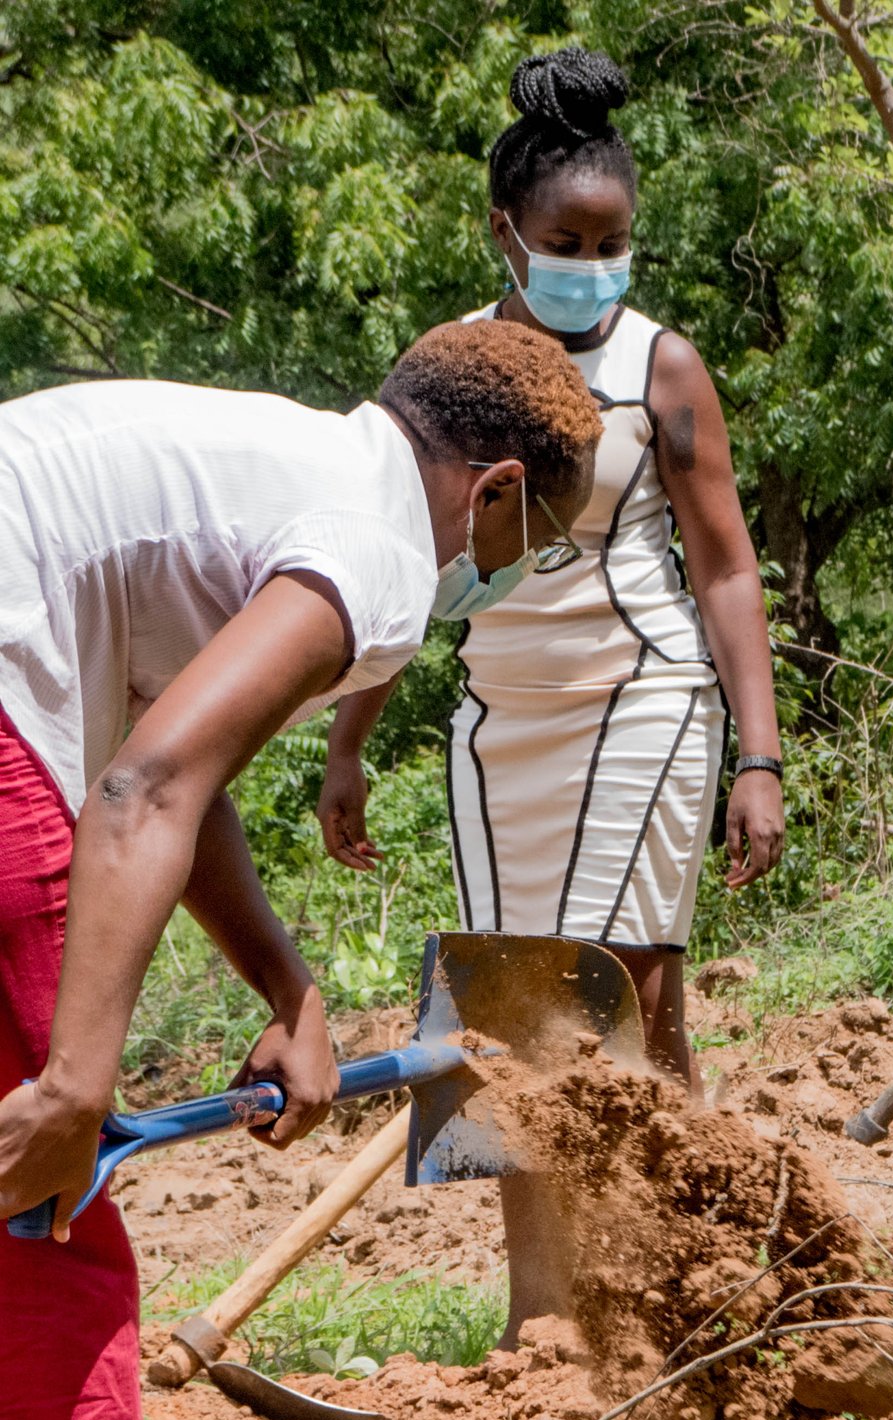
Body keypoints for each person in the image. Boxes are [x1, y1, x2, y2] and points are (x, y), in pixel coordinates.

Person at [0, 320, 605, 1420]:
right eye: (535, 540)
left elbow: (170, 774)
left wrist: (295, 994)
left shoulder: (281, 467)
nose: (507, 569)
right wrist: (80, 1081)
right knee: (47, 1229)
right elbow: (143, 786)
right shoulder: (383, 548)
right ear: (497, 491)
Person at [319, 48, 786, 1345]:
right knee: (508, 994)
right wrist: (349, 742)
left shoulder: (663, 367)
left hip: (645, 693)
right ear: (505, 235)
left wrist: (762, 755)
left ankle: (667, 1283)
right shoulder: (452, 368)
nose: (591, 262)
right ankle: (544, 1314)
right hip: (496, 723)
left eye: (613, 241)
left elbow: (727, 567)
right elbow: (397, 555)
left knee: (603, 980)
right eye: (564, 239)